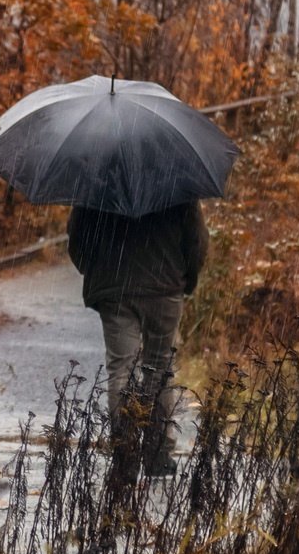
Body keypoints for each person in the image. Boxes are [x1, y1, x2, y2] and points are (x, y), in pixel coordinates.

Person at [66, 199, 207, 466]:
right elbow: (197, 242)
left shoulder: (99, 182)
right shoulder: (178, 182)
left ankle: (125, 450)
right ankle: (158, 453)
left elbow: (77, 240)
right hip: (164, 287)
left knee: (121, 368)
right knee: (160, 366)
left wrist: (96, 270)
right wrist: (185, 278)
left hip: (115, 289)